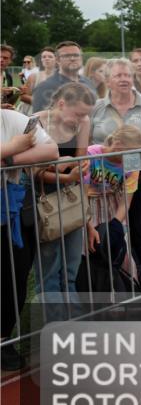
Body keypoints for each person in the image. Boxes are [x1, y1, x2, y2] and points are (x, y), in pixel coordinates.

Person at [90, 59, 141, 290]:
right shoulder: (97, 106)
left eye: (127, 75)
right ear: (108, 80)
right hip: (101, 178)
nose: (124, 79)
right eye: (118, 75)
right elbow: (89, 140)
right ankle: (107, 282)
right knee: (105, 230)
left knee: (139, 229)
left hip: (134, 171)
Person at [29, 83, 97, 313]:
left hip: (71, 201)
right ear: (61, 104)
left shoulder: (84, 122)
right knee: (48, 272)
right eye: (78, 114)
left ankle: (74, 322)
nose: (81, 119)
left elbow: (79, 161)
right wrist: (65, 175)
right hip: (43, 203)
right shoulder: (36, 123)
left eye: (85, 115)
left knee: (70, 269)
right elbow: (32, 172)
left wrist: (80, 167)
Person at [1, 108, 58, 370]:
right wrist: (13, 145)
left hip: (10, 211)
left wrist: (10, 158)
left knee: (15, 277)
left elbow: (50, 151)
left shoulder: (10, 118)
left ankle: (3, 338)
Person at [83, 124, 141, 294]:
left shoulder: (133, 159)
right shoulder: (91, 154)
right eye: (130, 151)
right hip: (88, 208)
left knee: (122, 255)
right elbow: (81, 195)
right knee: (92, 254)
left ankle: (130, 293)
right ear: (117, 144)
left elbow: (127, 200)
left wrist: (115, 226)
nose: (133, 157)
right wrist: (88, 225)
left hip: (114, 207)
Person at [31, 42, 96, 113]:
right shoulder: (45, 87)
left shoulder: (89, 83)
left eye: (76, 55)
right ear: (58, 60)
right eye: (67, 55)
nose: (72, 58)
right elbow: (39, 120)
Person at [18, 47, 57, 112]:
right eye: (44, 57)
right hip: (34, 112)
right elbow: (23, 97)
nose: (46, 58)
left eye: (50, 57)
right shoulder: (33, 76)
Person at [0, 44, 17, 110]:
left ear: (10, 61)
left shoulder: (8, 76)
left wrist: (18, 92)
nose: (1, 60)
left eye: (5, 58)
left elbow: (9, 99)